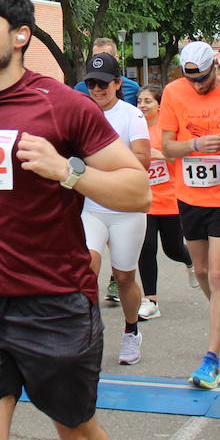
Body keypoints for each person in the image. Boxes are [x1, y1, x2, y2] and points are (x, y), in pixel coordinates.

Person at [0, 0, 149, 440]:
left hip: (53, 303)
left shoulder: (64, 106)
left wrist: (65, 172)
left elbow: (137, 191)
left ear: (20, 35)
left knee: (79, 438)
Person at [160, 40, 220, 389]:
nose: (197, 86)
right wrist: (195, 145)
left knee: (216, 272)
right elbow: (167, 148)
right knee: (199, 270)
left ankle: (210, 361)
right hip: (190, 196)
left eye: (204, 79)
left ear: (216, 66)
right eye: (191, 80)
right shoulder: (173, 93)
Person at [79, 51, 153, 364]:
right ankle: (87, 334)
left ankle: (131, 330)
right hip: (91, 207)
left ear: (118, 83)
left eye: (104, 84)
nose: (97, 90)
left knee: (124, 278)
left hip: (126, 208)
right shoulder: (81, 114)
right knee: (86, 269)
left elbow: (143, 160)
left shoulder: (131, 115)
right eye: (92, 83)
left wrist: (99, 166)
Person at [135, 84, 194, 323]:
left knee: (173, 248)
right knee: (146, 248)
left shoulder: (167, 129)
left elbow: (182, 157)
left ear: (160, 104)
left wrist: (160, 155)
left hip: (169, 198)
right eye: (139, 100)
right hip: (144, 200)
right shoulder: (136, 129)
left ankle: (190, 261)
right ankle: (151, 300)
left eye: (148, 100)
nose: (142, 105)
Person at [73, 38, 140, 105]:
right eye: (95, 56)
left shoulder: (133, 88)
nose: (100, 60)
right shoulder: (80, 89)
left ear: (116, 59)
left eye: (106, 56)